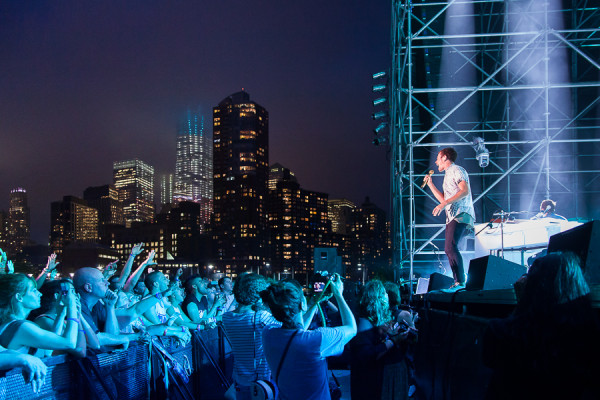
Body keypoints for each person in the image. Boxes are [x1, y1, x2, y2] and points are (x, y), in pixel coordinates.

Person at [483, 252, 600, 399]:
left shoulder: (499, 332)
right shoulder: (587, 338)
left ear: (532, 285)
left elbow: (489, 359)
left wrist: (522, 302)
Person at [260, 274, 356, 400]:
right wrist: (338, 294)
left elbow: (296, 331)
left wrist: (314, 302)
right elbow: (352, 328)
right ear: (302, 304)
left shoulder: (268, 333)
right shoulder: (317, 339)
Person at [350, 280, 412, 400]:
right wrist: (394, 340)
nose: (387, 296)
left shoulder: (368, 320)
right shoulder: (363, 323)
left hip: (370, 381)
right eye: (383, 293)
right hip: (366, 384)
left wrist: (388, 335)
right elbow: (369, 354)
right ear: (376, 298)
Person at [222, 273, 280, 400]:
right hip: (261, 383)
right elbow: (293, 328)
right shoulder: (260, 317)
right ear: (258, 293)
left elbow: (238, 309)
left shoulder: (227, 317)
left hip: (240, 380)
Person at [424, 147, 475, 288]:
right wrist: (431, 185)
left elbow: (465, 191)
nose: (436, 162)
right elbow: (444, 199)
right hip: (452, 215)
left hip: (461, 213)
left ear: (445, 157)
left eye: (438, 158)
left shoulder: (457, 170)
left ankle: (460, 281)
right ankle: (457, 281)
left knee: (451, 246)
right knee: (448, 248)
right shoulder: (447, 175)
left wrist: (444, 204)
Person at [0, 274, 80, 355]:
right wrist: (72, 306)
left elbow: (48, 351)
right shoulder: (22, 327)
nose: (40, 294)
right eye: (33, 290)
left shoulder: (12, 324)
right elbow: (69, 343)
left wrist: (60, 314)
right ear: (19, 297)